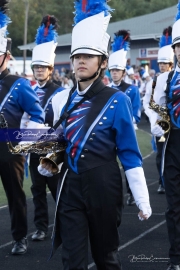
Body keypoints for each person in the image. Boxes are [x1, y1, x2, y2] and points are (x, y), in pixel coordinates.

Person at [37, 2, 152, 269]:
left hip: (104, 186)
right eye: (77, 56)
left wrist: (142, 198)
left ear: (102, 62)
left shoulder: (117, 100)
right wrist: (47, 154)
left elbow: (130, 154)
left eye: (88, 56)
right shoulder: (62, 98)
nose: (80, 61)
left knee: (106, 258)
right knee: (72, 260)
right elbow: (57, 138)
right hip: (70, 186)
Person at [0, 1, 45, 255]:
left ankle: (19, 238)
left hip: (10, 149)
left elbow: (37, 114)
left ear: (7, 56)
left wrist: (25, 142)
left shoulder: (19, 84)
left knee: (15, 196)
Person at [29, 15, 65, 241]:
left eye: (43, 67)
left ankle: (64, 225)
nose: (39, 71)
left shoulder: (61, 92)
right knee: (36, 191)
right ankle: (41, 227)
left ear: (50, 69)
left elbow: (63, 123)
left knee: (57, 190)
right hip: (33, 147)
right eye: (36, 67)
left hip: (52, 149)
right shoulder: (29, 89)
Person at [150, 5, 180, 269]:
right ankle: (176, 257)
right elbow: (156, 108)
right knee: (174, 206)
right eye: (179, 46)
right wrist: (158, 123)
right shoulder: (164, 79)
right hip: (174, 147)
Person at [108, 29, 141, 206]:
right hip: (108, 132)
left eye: (117, 71)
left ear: (123, 72)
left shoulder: (132, 90)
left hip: (127, 129)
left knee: (129, 161)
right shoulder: (106, 90)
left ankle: (132, 192)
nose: (114, 73)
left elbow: (136, 111)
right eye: (112, 71)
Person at [143, 26, 173, 195]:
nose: (162, 66)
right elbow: (147, 102)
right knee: (161, 153)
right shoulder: (152, 83)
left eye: (165, 64)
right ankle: (162, 181)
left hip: (174, 123)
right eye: (160, 63)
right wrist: (154, 118)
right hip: (159, 125)